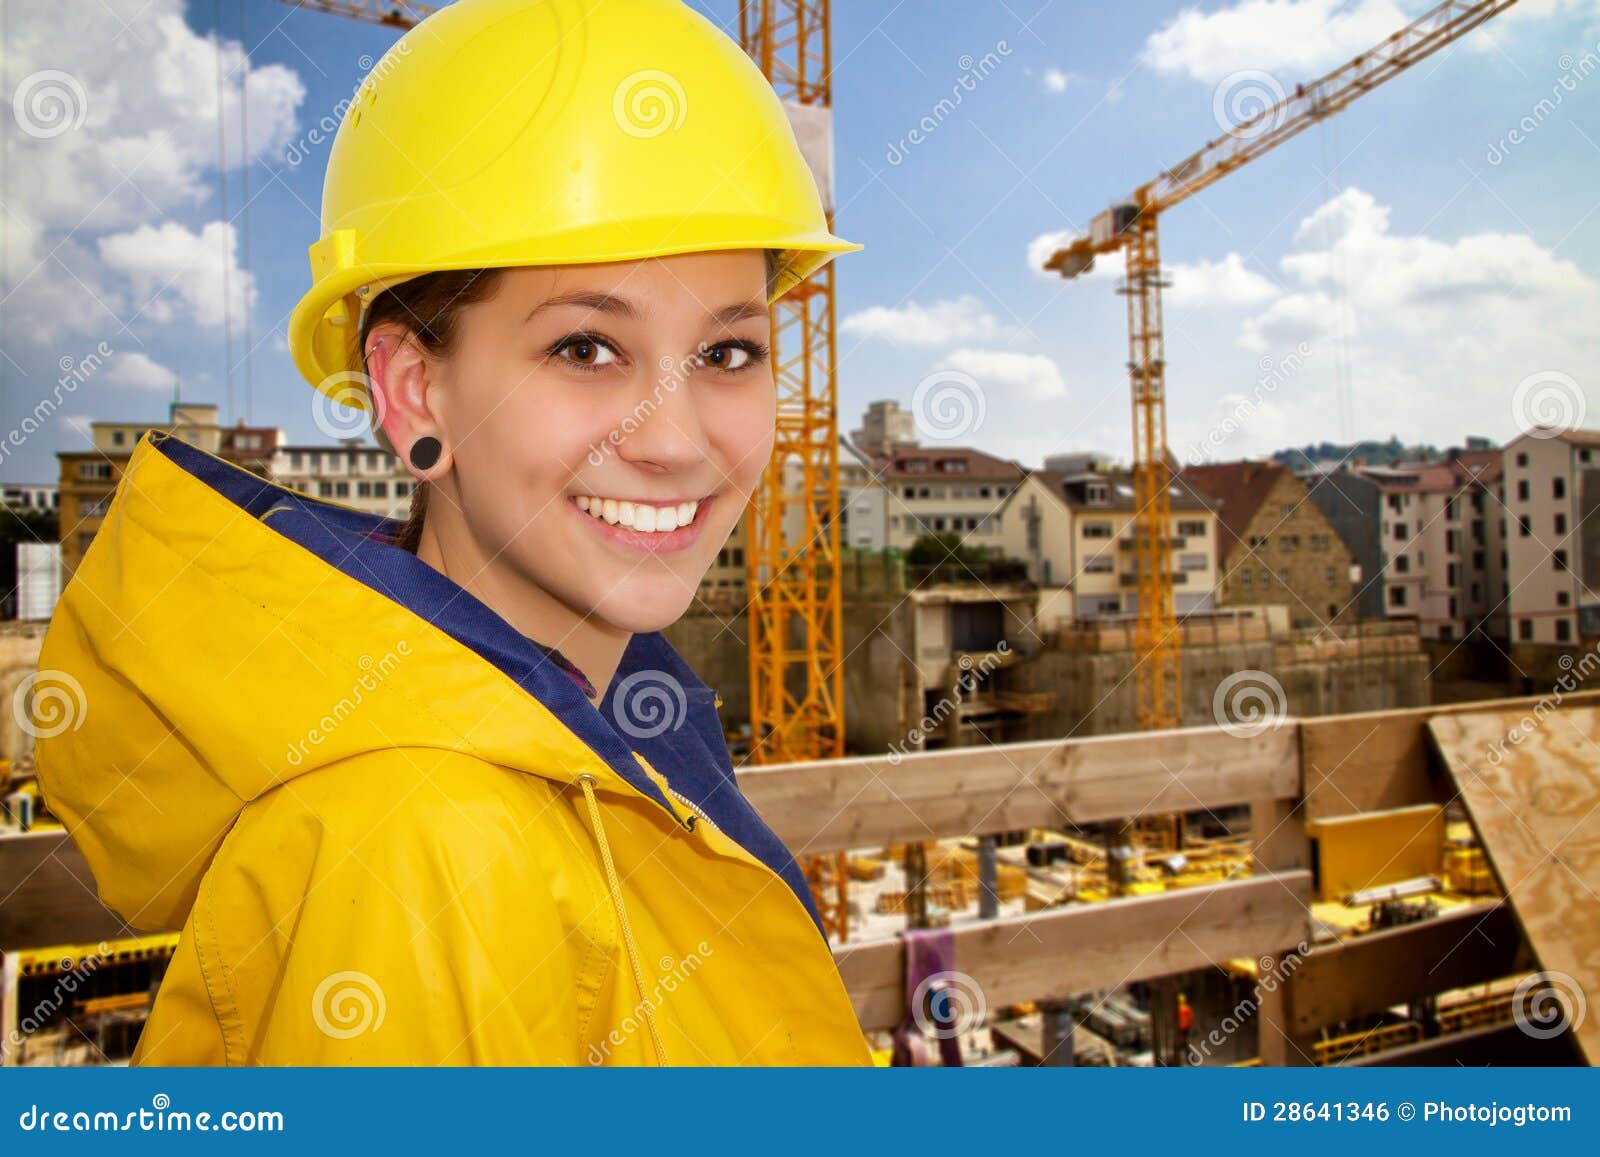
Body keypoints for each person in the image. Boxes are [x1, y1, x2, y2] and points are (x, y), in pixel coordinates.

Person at [33, 0, 869, 1066]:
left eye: (727, 353)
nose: (675, 440)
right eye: (583, 347)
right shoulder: (413, 853)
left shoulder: (614, 736)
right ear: (415, 390)